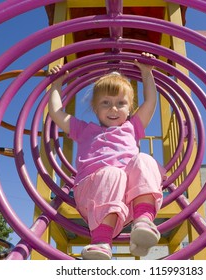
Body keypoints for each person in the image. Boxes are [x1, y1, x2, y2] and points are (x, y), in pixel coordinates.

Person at [48, 53, 165, 260]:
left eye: (120, 103)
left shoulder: (132, 127)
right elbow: (57, 113)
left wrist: (146, 73)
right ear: (95, 107)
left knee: (144, 160)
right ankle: (101, 242)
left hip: (128, 200)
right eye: (105, 103)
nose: (113, 108)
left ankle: (144, 221)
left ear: (129, 109)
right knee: (113, 173)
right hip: (93, 196)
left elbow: (150, 102)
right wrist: (56, 84)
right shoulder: (83, 130)